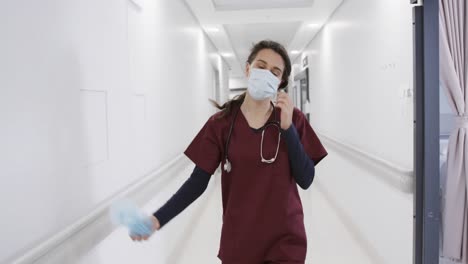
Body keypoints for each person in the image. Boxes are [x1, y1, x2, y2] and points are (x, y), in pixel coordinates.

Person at [130, 40, 328, 264]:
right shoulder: (221, 124)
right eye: (261, 66)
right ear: (248, 69)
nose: (266, 74)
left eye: (275, 72)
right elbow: (197, 183)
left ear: (281, 81)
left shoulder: (293, 120)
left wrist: (287, 129)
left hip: (286, 240)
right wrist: (157, 219)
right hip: (240, 241)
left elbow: (306, 179)